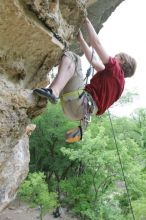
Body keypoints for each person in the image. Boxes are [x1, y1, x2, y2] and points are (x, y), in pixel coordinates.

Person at [34, 18, 136, 143]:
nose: (114, 57)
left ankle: (53, 91)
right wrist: (81, 40)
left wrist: (86, 21)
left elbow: (97, 44)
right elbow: (93, 61)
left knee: (74, 58)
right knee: (72, 62)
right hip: (76, 112)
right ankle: (49, 95)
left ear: (122, 61)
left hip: (80, 102)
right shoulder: (117, 83)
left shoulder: (115, 70)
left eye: (117, 57)